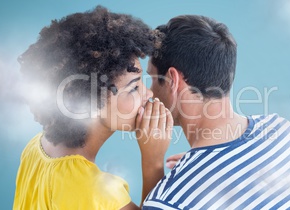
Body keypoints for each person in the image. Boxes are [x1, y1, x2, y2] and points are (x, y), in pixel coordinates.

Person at [143, 15, 290, 209]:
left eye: (152, 78)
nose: (149, 92)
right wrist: (203, 165)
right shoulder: (283, 131)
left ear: (173, 80)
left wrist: (153, 164)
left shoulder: (172, 199)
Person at [13, 6, 173, 210]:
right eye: (133, 87)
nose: (148, 93)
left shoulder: (36, 147)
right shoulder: (99, 193)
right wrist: (153, 162)